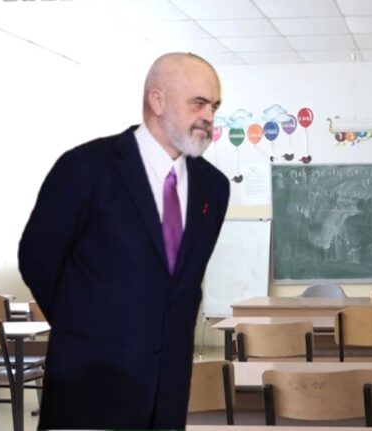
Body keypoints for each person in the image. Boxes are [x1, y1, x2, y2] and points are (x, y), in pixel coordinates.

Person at [18, 52, 230, 429]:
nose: (209, 116)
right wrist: (87, 329)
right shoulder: (85, 167)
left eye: (214, 106)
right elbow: (37, 260)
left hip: (167, 394)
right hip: (88, 385)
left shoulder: (213, 187)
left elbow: (182, 285)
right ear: (157, 100)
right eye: (198, 103)